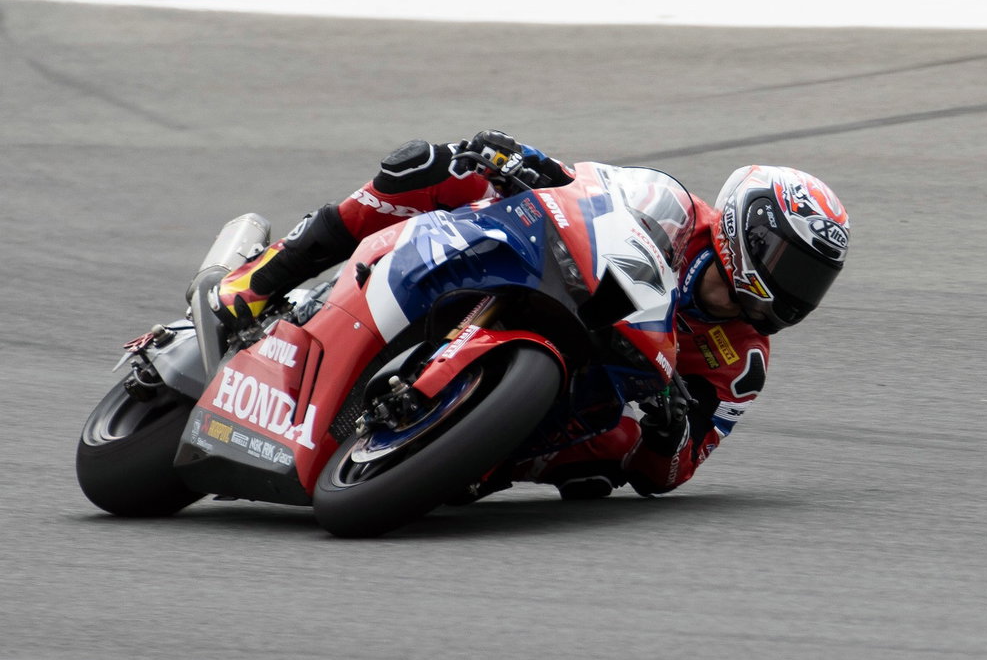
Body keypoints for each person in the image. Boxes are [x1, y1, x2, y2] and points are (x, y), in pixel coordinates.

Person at [209, 131, 851, 500]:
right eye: (792, 266)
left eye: (812, 281)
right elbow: (586, 188)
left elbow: (672, 473)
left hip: (587, 376)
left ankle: (467, 456)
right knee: (433, 168)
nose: (797, 292)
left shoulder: (742, 361)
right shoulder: (674, 207)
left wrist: (669, 428)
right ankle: (263, 280)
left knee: (612, 454)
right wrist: (528, 163)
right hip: (544, 273)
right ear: (751, 231)